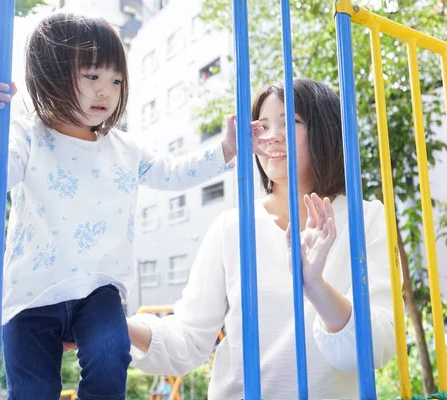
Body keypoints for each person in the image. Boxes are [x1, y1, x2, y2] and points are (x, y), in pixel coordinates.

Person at [0, 11, 269, 400]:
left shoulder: (124, 148)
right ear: (54, 73)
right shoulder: (29, 136)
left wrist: (226, 149)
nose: (106, 92)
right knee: (33, 389)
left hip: (98, 289)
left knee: (112, 357)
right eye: (92, 77)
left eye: (116, 80)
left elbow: (173, 172)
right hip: (32, 294)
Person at [125, 78, 397, 399]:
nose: (271, 137)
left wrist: (316, 287)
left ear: (327, 130)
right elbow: (189, 339)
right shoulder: (233, 226)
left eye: (289, 122)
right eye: (262, 126)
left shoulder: (365, 218)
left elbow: (377, 345)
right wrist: (113, 325)